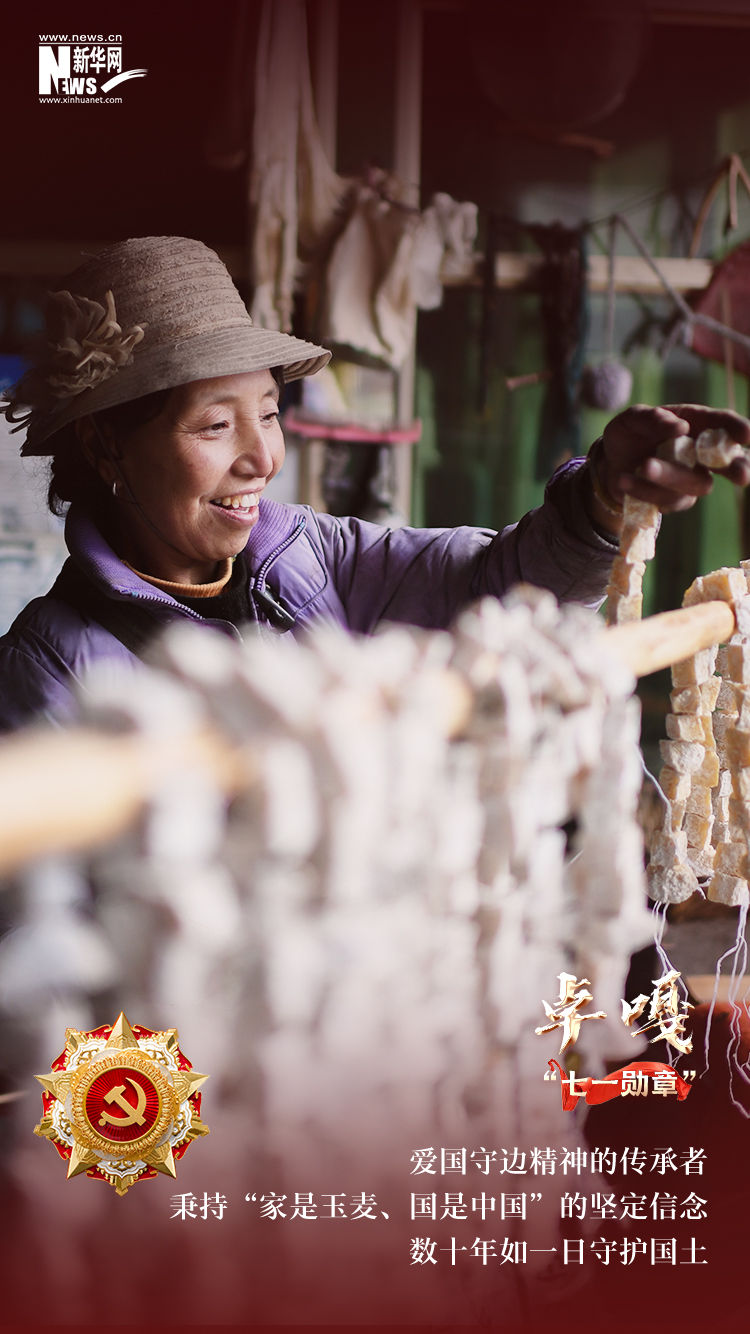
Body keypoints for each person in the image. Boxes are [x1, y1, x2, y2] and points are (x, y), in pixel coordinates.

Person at [1, 234, 749, 733]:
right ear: (106, 445)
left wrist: (604, 497)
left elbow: (501, 588)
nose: (262, 458)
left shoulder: (309, 555)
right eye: (215, 425)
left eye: (270, 413)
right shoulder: (51, 666)